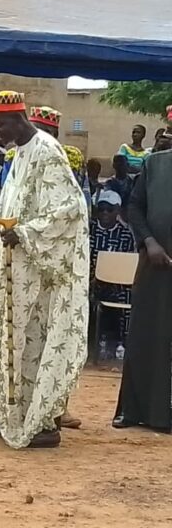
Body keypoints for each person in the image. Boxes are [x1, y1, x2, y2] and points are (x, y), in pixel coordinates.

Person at [0, 91, 89, 449]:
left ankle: (40, 422)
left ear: (17, 120)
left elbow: (70, 209)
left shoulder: (47, 150)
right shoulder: (20, 152)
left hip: (34, 267)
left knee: (26, 339)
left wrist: (24, 233)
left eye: (0, 127)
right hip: (8, 261)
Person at [113, 148, 172, 432]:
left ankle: (166, 415)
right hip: (156, 262)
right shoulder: (155, 163)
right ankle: (135, 411)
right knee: (146, 333)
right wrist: (149, 241)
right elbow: (135, 207)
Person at [90, 190, 135, 345]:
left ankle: (123, 341)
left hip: (119, 284)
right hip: (92, 281)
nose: (105, 213)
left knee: (128, 294)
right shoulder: (90, 230)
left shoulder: (125, 234)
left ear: (117, 211)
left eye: (109, 209)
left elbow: (128, 264)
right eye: (101, 208)